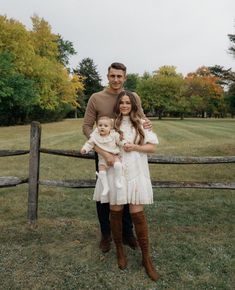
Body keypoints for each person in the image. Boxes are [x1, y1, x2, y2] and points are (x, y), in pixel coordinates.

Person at [82, 62, 151, 253]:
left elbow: (140, 117)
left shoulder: (132, 96)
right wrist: (102, 152)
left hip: (126, 152)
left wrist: (148, 124)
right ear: (107, 76)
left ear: (125, 78)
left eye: (119, 76)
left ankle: (127, 233)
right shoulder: (96, 98)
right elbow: (87, 127)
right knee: (105, 194)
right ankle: (106, 235)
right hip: (104, 153)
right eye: (112, 76)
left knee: (127, 193)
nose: (116, 79)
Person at [93, 90, 160, 281]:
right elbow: (93, 139)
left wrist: (135, 147)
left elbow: (152, 147)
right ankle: (120, 251)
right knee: (115, 210)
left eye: (127, 103)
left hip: (136, 171)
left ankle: (146, 258)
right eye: (121, 103)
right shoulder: (111, 123)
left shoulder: (141, 123)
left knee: (137, 213)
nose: (124, 106)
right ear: (117, 105)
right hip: (116, 172)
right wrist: (106, 154)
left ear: (133, 105)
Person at [81, 116, 126, 195]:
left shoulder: (113, 135)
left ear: (110, 127)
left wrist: (124, 143)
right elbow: (89, 143)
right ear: (97, 126)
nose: (102, 127)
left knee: (118, 165)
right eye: (100, 125)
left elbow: (120, 141)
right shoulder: (95, 136)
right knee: (101, 171)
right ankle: (106, 187)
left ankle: (117, 180)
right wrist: (85, 149)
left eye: (105, 126)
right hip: (102, 159)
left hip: (114, 155)